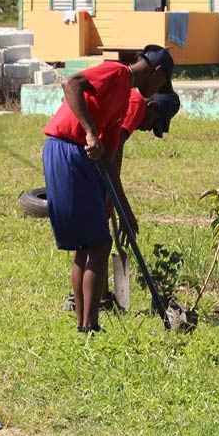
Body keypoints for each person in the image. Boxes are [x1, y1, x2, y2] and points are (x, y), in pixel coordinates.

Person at [43, 46, 173, 332]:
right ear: (157, 72)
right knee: (100, 245)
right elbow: (71, 84)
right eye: (161, 85)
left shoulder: (124, 98)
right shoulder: (116, 72)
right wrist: (90, 131)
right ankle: (90, 325)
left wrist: (125, 212)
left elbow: (111, 161)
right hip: (69, 149)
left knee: (86, 245)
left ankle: (84, 325)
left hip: (77, 154)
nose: (156, 91)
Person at [62, 87, 181, 313]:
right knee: (93, 236)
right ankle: (77, 299)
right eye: (155, 122)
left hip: (88, 159)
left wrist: (111, 195)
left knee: (97, 232)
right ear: (152, 107)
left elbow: (114, 156)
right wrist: (123, 209)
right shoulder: (135, 105)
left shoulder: (132, 103)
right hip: (84, 156)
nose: (148, 129)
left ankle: (102, 296)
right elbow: (111, 161)